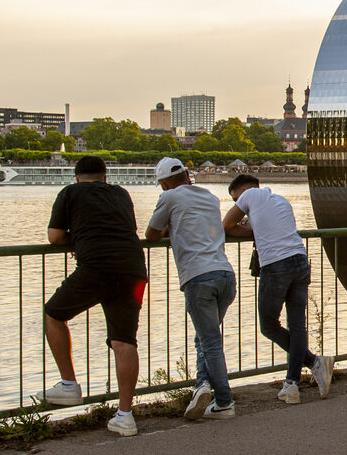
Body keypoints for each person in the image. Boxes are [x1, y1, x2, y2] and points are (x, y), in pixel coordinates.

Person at [38, 155, 147, 437]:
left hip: (97, 266)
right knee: (124, 339)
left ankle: (69, 384)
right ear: (105, 176)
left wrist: (77, 238)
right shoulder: (121, 194)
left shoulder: (70, 193)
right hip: (134, 270)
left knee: (54, 313)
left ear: (76, 177)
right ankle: (125, 415)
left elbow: (54, 237)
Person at [222, 174, 333, 404]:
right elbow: (264, 229)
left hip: (276, 265)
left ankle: (313, 363)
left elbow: (227, 226)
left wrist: (248, 228)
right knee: (297, 325)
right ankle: (292, 384)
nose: (237, 204)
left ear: (243, 190)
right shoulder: (281, 201)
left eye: (235, 199)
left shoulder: (249, 196)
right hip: (300, 260)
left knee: (269, 325)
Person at [145, 157, 237, 420]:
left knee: (209, 342)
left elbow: (151, 234)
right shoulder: (210, 197)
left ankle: (224, 402)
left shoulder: (169, 198)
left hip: (198, 277)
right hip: (225, 274)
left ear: (163, 184)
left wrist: (169, 231)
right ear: (187, 174)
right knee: (206, 338)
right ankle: (202, 386)